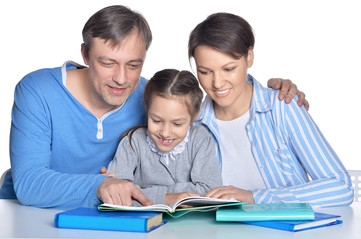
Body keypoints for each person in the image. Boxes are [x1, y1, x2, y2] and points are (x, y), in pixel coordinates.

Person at [0, 5, 307, 209]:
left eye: (134, 65)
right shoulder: (38, 90)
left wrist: (272, 93)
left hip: (121, 217)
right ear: (84, 53)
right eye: (107, 63)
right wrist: (105, 186)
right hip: (28, 217)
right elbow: (29, 184)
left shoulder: (149, 96)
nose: (122, 79)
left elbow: (205, 103)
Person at [188, 12, 354, 207]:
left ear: (249, 57)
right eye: (205, 72)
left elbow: (341, 188)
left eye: (229, 69)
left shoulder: (282, 107)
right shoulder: (191, 122)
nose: (217, 83)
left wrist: (256, 197)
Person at [107, 69, 222, 206]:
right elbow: (116, 193)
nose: (165, 133)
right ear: (147, 109)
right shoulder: (133, 142)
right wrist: (167, 198)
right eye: (156, 121)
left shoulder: (200, 139)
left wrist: (142, 191)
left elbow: (210, 192)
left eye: (177, 124)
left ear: (194, 115)